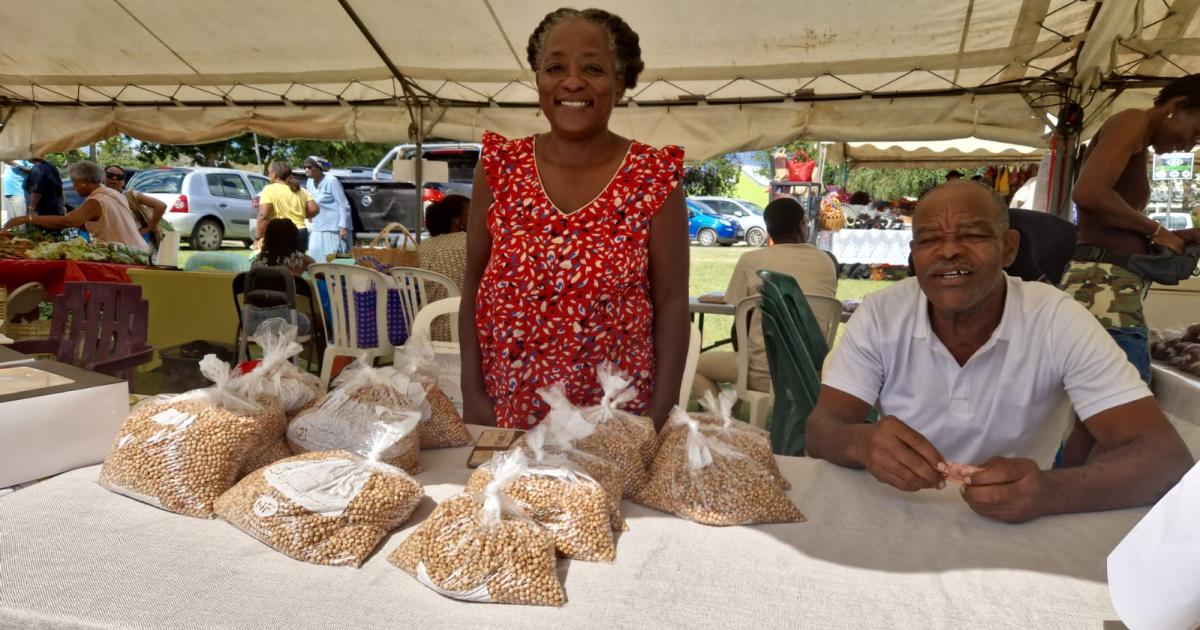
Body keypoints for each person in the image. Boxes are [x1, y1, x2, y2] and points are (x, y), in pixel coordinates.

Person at [804, 180, 1192, 523]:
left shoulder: (1055, 318)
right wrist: (864, 443)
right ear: (913, 254)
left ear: (1008, 248)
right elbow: (822, 429)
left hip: (1015, 526)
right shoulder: (880, 315)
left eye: (971, 235)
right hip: (897, 514)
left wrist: (1050, 491)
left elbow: (1163, 459)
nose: (949, 251)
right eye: (929, 240)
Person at [461, 7, 689, 430]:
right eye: (555, 67)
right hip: (507, 409)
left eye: (593, 68)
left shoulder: (654, 177)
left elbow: (673, 301)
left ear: (621, 82)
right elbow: (473, 282)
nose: (572, 81)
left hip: (614, 418)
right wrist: (472, 394)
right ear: (538, 79)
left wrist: (660, 413)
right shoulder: (500, 169)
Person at [691, 197, 837, 399]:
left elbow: (740, 321)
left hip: (761, 373)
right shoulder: (827, 262)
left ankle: (724, 420)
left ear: (768, 229)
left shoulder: (751, 260)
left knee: (694, 366)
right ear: (802, 225)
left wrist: (744, 354)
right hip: (813, 374)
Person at [3, 161, 149, 252]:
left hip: (125, 256)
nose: (74, 186)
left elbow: (66, 221)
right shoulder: (113, 193)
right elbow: (106, 221)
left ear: (84, 181)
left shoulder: (97, 200)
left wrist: (27, 218)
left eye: (74, 182)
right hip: (138, 251)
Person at [247, 218, 314, 336]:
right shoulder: (302, 260)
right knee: (318, 318)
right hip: (286, 324)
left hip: (253, 325)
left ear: (267, 238)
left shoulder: (256, 264)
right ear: (294, 237)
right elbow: (323, 277)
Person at [419, 194, 469, 341]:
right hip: (463, 333)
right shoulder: (471, 243)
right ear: (458, 221)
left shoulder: (424, 247)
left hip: (424, 329)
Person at [103, 164, 167, 248]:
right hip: (110, 244)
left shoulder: (131, 195)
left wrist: (149, 227)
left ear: (123, 182)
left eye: (119, 177)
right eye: (110, 175)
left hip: (136, 245)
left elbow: (161, 205)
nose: (114, 178)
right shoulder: (97, 197)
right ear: (102, 177)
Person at [257, 161, 316, 250]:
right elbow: (314, 209)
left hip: (281, 233)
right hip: (301, 233)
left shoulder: (269, 189)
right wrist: (301, 214)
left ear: (274, 174)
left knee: (280, 263)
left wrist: (258, 237)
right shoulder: (301, 190)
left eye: (269, 173)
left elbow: (263, 215)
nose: (268, 176)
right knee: (298, 262)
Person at [302, 155, 351, 263]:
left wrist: (343, 226)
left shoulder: (332, 181)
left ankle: (339, 279)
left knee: (335, 260)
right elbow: (310, 201)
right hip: (317, 226)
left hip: (333, 228)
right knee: (314, 259)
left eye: (309, 167)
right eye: (304, 167)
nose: (306, 169)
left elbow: (343, 204)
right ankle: (317, 279)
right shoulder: (309, 182)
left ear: (318, 169)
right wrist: (310, 215)